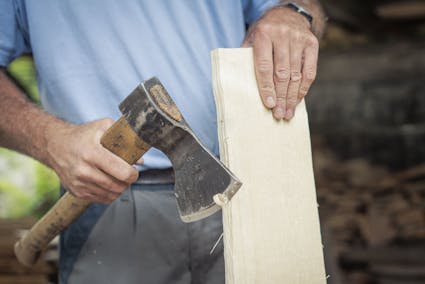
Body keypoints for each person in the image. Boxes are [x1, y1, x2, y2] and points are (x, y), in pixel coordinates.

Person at [0, 1, 326, 283]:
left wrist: (294, 13)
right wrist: (50, 139)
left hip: (245, 188)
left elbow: (304, 6)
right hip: (108, 201)